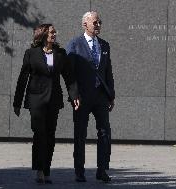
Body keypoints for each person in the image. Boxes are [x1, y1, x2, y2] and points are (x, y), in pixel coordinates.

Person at [13, 24, 80, 184]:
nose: (54, 34)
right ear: (43, 34)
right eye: (51, 32)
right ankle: (39, 170)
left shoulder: (61, 53)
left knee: (50, 135)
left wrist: (74, 95)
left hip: (54, 100)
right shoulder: (31, 53)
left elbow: (69, 77)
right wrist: (17, 102)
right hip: (36, 99)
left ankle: (47, 170)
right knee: (39, 133)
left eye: (55, 32)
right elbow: (23, 78)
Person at [66, 11, 115, 183]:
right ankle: (79, 171)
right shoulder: (74, 44)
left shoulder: (105, 45)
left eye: (100, 22)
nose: (99, 25)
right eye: (95, 22)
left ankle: (102, 170)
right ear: (85, 24)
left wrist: (111, 95)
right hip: (82, 98)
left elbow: (108, 72)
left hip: (101, 96)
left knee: (105, 133)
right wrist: (73, 95)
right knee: (80, 134)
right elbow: (69, 73)